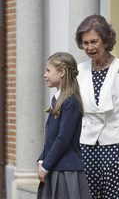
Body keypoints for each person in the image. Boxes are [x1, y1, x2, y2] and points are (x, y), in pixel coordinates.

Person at [75, 14, 119, 198]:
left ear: (106, 40)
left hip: (117, 145)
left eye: (94, 41)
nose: (89, 47)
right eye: (85, 42)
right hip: (87, 145)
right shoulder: (79, 70)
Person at [37, 52, 92, 199]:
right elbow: (51, 137)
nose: (44, 75)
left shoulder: (70, 102)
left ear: (61, 72)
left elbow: (63, 139)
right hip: (55, 166)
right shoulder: (58, 99)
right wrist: (41, 160)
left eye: (48, 70)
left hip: (66, 170)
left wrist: (46, 165)